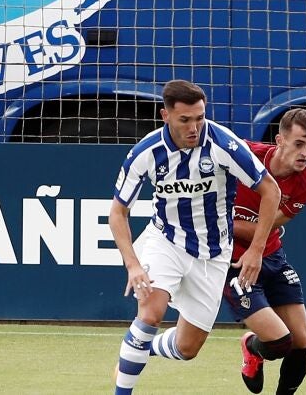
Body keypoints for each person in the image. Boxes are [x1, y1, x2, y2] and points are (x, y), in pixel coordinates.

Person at [109, 80, 282, 395]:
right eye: (185, 120)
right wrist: (132, 265)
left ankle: (139, 348)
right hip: (166, 241)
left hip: (213, 254)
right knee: (150, 313)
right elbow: (118, 213)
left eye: (200, 118)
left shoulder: (223, 144)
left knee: (187, 348)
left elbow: (271, 190)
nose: (194, 127)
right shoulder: (146, 152)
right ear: (165, 116)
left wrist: (256, 249)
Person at [222, 108, 306, 395]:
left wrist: (222, 222)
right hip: (233, 263)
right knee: (280, 343)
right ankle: (252, 347)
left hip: (272, 257)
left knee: (302, 344)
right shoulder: (243, 155)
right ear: (280, 140)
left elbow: (267, 229)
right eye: (299, 144)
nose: (305, 153)